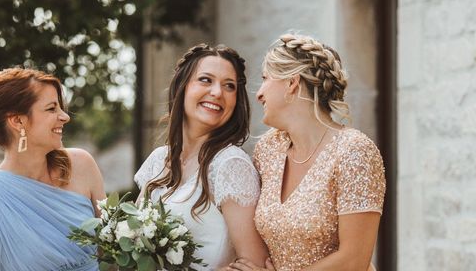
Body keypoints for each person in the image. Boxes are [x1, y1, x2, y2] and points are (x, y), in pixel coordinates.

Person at [228, 34, 386, 271]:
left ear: (292, 83)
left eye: (265, 79)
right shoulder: (268, 149)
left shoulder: (354, 151)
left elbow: (354, 260)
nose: (259, 93)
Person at [135, 44, 269, 270]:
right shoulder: (158, 160)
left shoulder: (230, 164)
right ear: (182, 87)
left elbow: (253, 263)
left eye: (229, 86)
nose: (217, 92)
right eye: (206, 80)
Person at [0, 68, 105, 271]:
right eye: (51, 109)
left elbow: (111, 256)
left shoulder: (82, 165)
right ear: (18, 121)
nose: (65, 117)